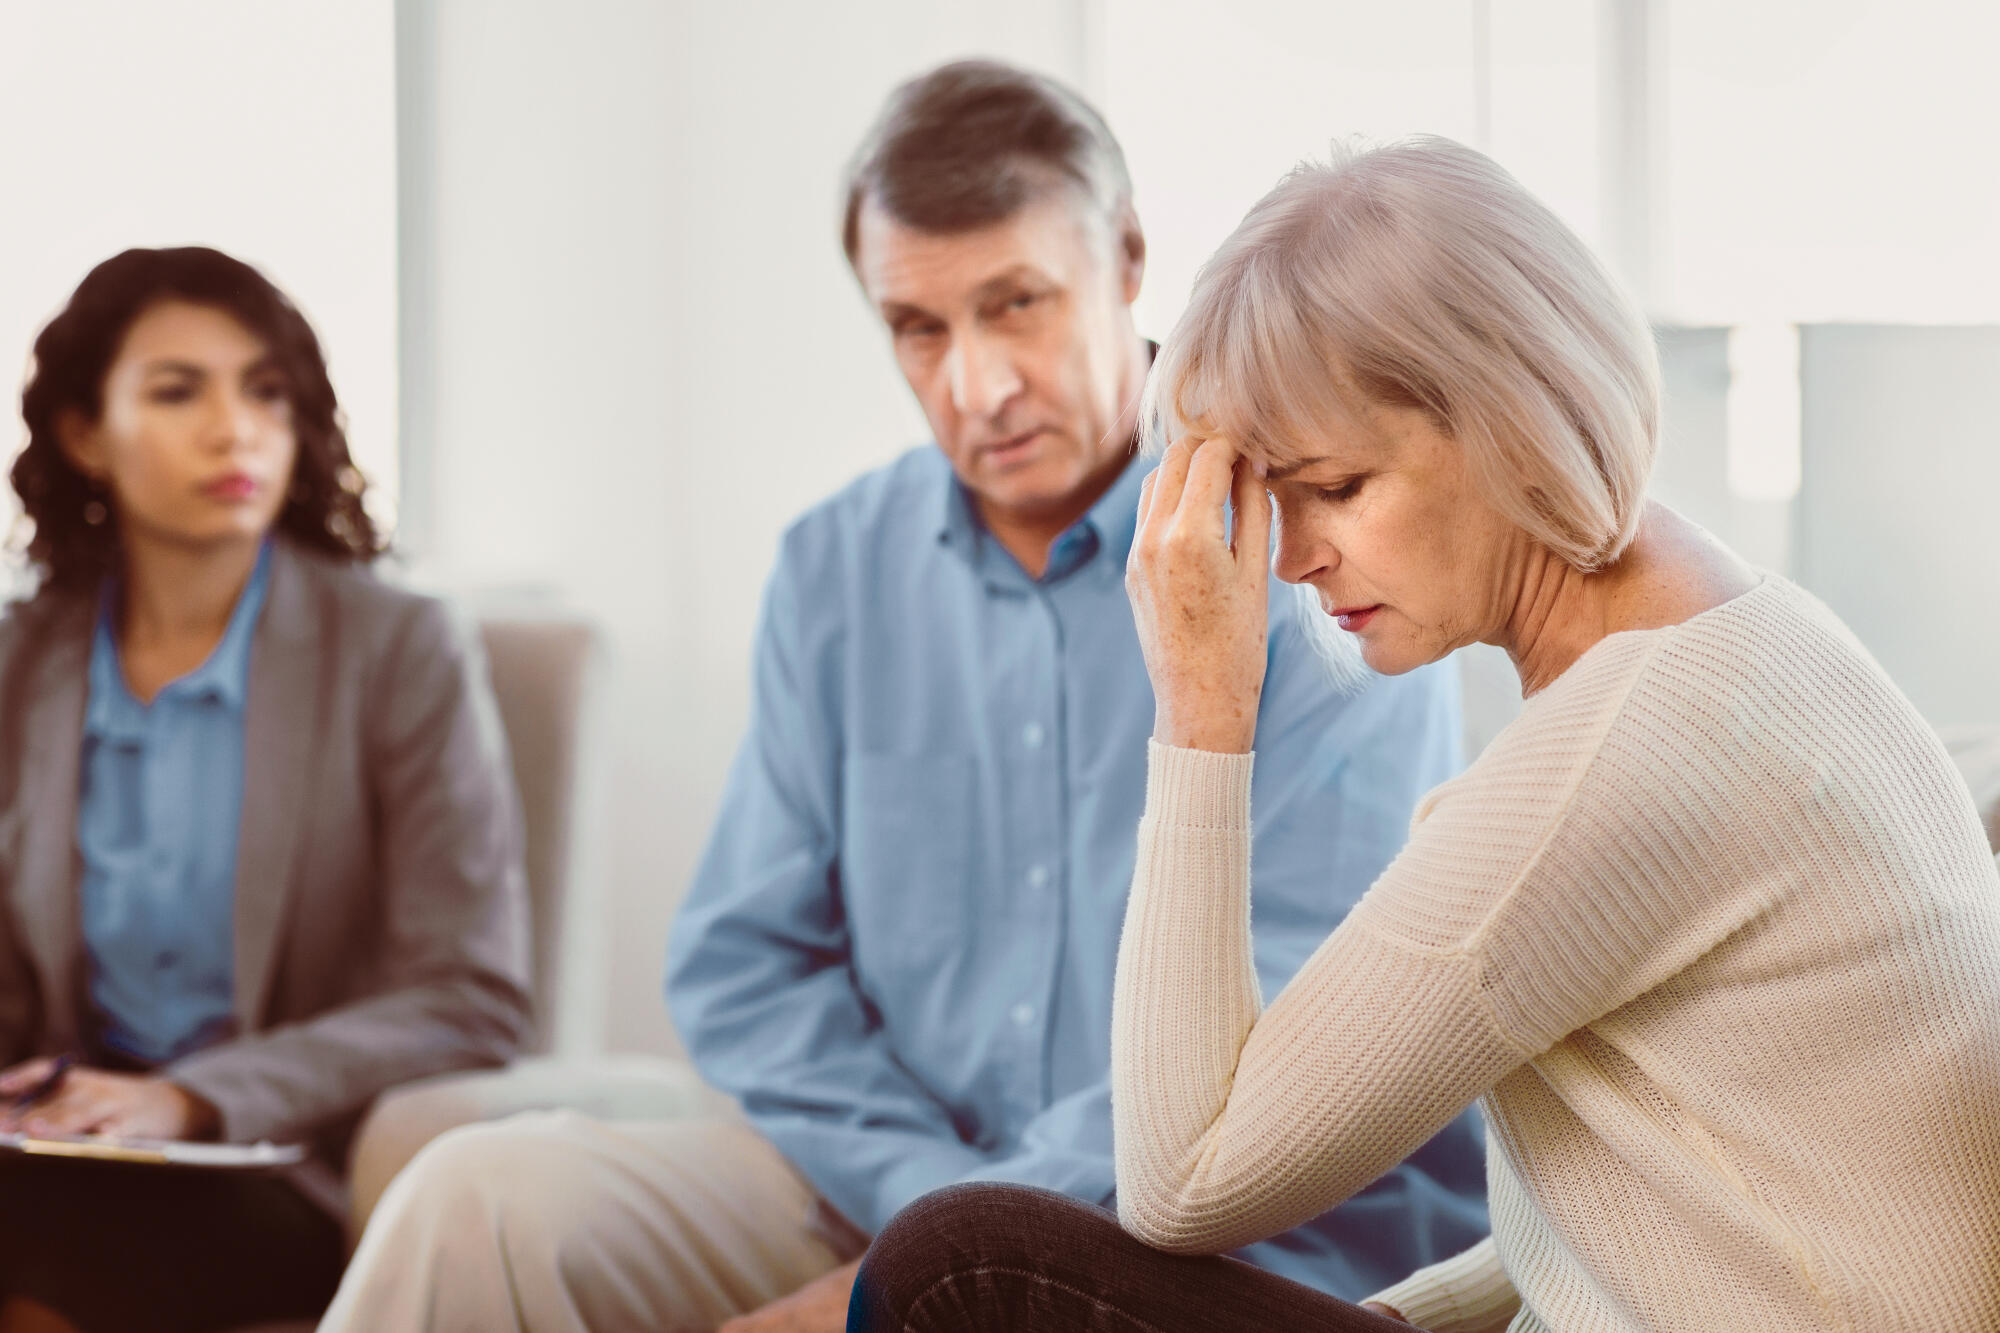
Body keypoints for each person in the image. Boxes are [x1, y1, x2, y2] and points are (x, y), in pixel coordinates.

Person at [318, 61, 1485, 1333]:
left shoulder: (1301, 537)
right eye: (918, 329)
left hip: (1226, 1227)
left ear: (1130, 256)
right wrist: (926, 1204)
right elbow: (747, 962)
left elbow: (1297, 1010)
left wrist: (960, 1246)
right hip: (876, 1184)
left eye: (1017, 303)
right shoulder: (835, 564)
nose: (976, 388)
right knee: (475, 1199)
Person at [848, 136, 2000, 1333]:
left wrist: (1199, 709)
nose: (1291, 559)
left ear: (1511, 422)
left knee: (962, 1270)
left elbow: (1183, 1183)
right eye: (1270, 501)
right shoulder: (1751, 638)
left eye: (1335, 489)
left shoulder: (1615, 754)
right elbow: (1651, 1212)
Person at [0, 246, 532, 1333]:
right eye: (177, 389)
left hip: (277, 1169)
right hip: (58, 1149)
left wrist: (191, 1096)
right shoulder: (23, 663)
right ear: (82, 433)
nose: (235, 427)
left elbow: (471, 992)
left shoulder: (398, 649)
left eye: (266, 390)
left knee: (54, 1240)